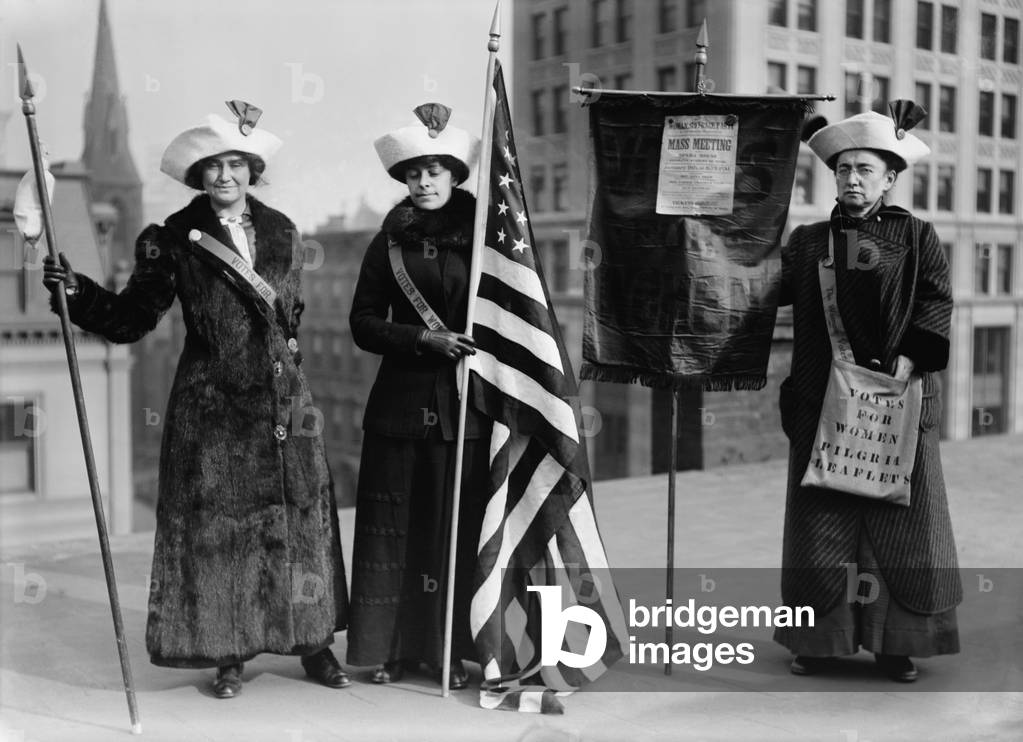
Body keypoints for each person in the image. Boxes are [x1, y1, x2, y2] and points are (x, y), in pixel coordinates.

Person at [42, 105, 350, 698]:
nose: (224, 175)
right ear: (198, 174)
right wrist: (77, 292)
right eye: (213, 165)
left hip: (286, 406)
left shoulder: (284, 231)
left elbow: (290, 315)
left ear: (252, 169)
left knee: (300, 520)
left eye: (235, 164)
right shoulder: (170, 240)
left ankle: (314, 643)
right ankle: (226, 651)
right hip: (212, 408)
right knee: (218, 530)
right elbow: (133, 318)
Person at [775, 104, 960, 682]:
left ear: (889, 178)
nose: (852, 179)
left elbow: (936, 300)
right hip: (821, 403)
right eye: (843, 169)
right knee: (821, 526)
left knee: (898, 528)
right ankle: (819, 642)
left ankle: (895, 645)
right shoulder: (808, 242)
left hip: (897, 401)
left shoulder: (918, 236)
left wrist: (912, 355)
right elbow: (765, 291)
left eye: (865, 170)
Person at [346, 103, 488, 688]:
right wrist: (422, 338)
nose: (424, 182)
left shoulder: (487, 241)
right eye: (413, 173)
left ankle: (447, 651)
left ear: (454, 176)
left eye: (434, 171)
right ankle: (390, 650)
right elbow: (362, 324)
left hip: (465, 408)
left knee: (451, 530)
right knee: (394, 529)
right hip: (399, 409)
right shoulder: (389, 244)